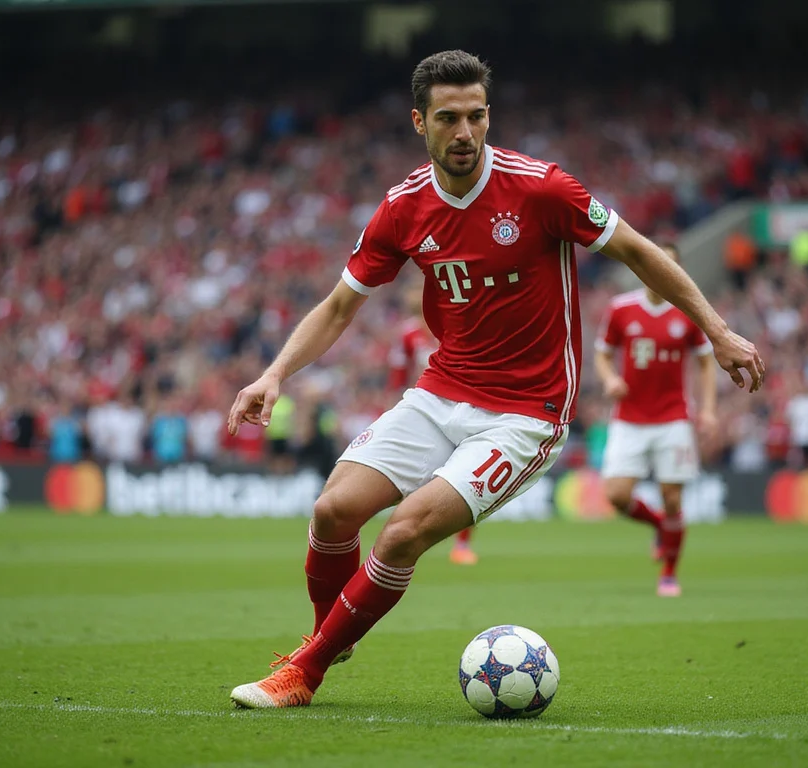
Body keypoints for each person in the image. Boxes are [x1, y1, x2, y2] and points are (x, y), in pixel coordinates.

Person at [225, 50, 764, 709]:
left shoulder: (541, 189)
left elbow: (639, 251)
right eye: (448, 118)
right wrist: (273, 373)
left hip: (526, 411)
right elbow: (340, 305)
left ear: (489, 116)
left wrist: (716, 328)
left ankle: (303, 673)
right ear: (418, 121)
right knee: (333, 510)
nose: (465, 133)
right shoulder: (403, 208)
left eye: (477, 116)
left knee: (404, 530)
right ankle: (328, 638)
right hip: (441, 390)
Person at [594, 243, 718, 597]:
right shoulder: (621, 309)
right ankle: (661, 528)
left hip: (672, 418)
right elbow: (602, 354)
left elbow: (706, 361)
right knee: (616, 496)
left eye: (671, 265)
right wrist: (610, 379)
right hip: (629, 417)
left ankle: (669, 574)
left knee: (672, 498)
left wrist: (707, 409)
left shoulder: (687, 311)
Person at [388, 281, 478, 565]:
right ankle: (405, 534)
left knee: (465, 476)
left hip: (462, 407)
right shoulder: (408, 333)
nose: (413, 296)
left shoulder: (453, 326)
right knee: (415, 476)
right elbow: (398, 375)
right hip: (424, 409)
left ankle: (461, 545)